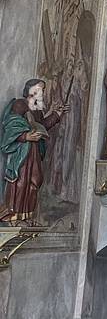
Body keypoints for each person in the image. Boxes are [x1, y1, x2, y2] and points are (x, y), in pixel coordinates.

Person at [0, 79, 65, 224]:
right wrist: (25, 136)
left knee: (35, 180)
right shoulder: (20, 104)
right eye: (41, 89)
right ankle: (14, 215)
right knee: (21, 181)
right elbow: (12, 124)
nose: (43, 92)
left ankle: (27, 215)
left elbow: (41, 126)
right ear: (32, 90)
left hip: (34, 151)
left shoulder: (37, 110)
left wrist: (56, 115)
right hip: (23, 150)